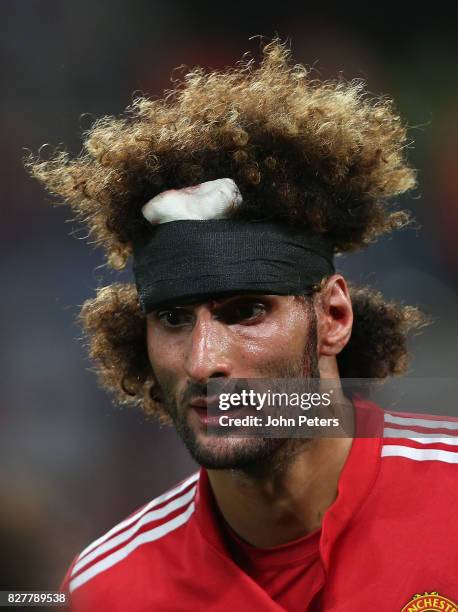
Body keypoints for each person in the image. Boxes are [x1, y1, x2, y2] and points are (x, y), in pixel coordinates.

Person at [28, 40, 458, 611]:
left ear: (332, 317)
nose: (204, 361)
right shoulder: (105, 592)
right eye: (175, 319)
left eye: (247, 311)